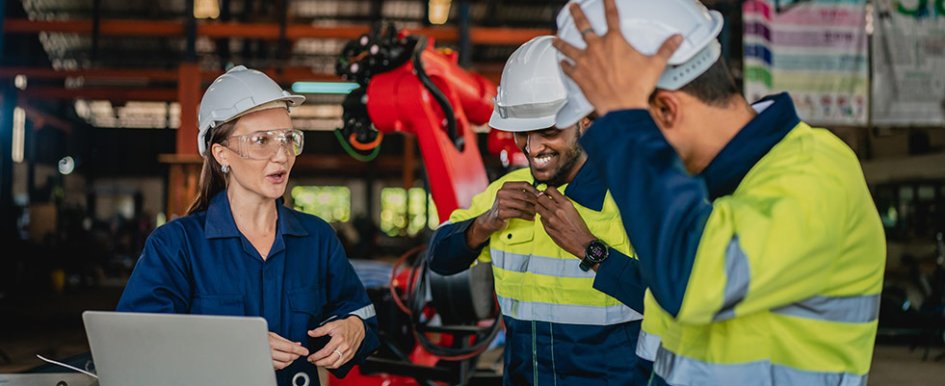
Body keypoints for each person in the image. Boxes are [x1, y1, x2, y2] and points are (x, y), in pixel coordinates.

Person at [551, 0, 886, 385]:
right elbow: (659, 358)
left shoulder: (816, 176)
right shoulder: (705, 196)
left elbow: (691, 278)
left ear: (665, 109)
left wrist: (625, 122)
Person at [117, 66, 379, 386]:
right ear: (221, 154)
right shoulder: (176, 246)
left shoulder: (317, 239)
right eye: (261, 140)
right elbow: (136, 347)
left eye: (287, 139)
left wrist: (355, 327)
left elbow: (363, 314)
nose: (281, 155)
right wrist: (233, 348)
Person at [427, 36, 650, 385]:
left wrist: (590, 250)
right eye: (521, 133)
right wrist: (484, 224)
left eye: (547, 131)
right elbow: (439, 259)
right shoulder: (505, 193)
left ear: (586, 121)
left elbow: (675, 302)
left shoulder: (632, 193)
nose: (532, 147)